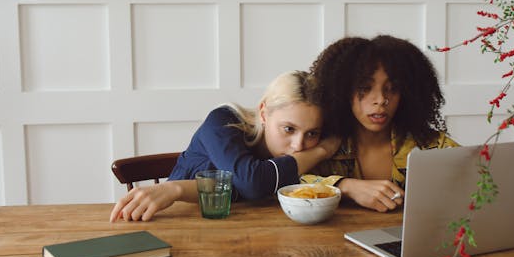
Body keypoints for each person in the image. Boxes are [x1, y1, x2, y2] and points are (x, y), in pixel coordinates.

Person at [110, 70, 340, 222]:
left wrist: (179, 188)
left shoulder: (300, 149)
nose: (299, 145)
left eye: (312, 133)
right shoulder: (222, 121)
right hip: (180, 222)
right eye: (288, 129)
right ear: (263, 113)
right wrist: (321, 151)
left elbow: (238, 188)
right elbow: (252, 183)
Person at [302, 35, 458, 212]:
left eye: (392, 89)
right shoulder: (321, 144)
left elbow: (483, 183)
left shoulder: (433, 148)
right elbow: (286, 181)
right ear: (342, 91)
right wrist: (344, 186)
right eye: (365, 88)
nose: (381, 100)